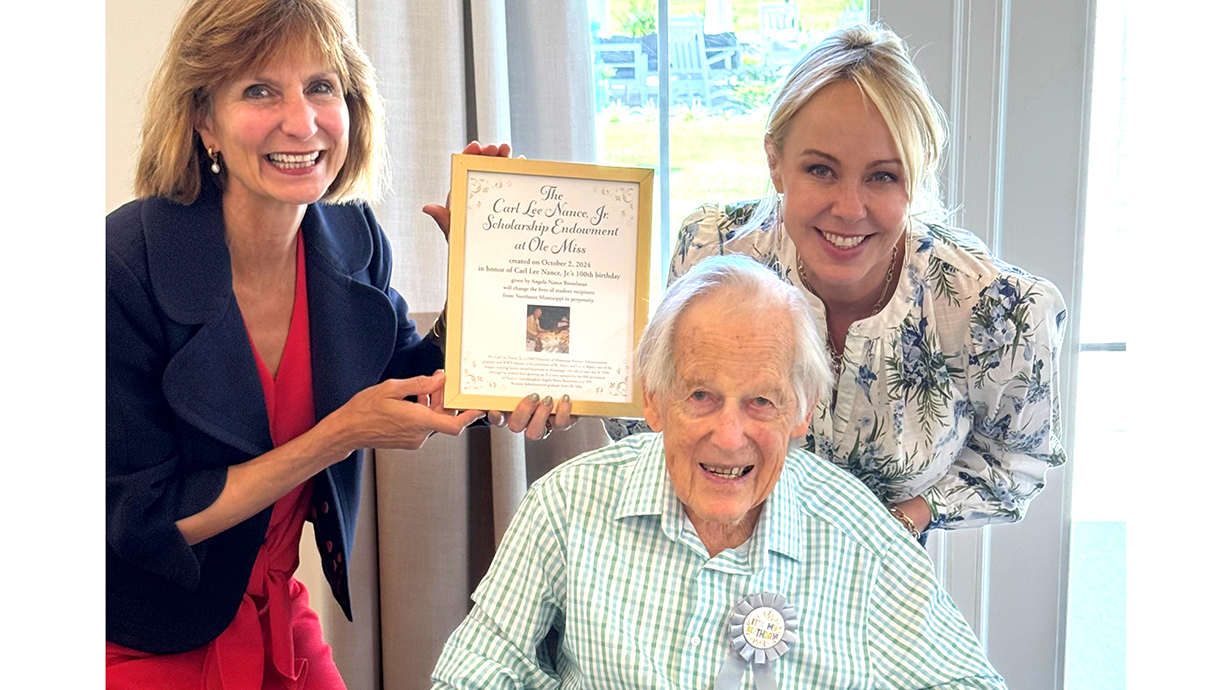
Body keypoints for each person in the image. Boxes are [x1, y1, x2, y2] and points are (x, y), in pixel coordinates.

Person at [106, 0, 569, 686]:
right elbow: (136, 521)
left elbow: (403, 383)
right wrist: (337, 436)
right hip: (140, 629)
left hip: (274, 610)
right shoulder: (124, 263)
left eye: (321, 86)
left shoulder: (353, 237)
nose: (302, 121)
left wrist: (484, 276)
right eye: (260, 90)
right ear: (203, 116)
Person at [431, 255, 1006, 689]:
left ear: (803, 410)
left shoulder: (861, 537)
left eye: (762, 402)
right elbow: (472, 671)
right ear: (653, 400)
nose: (730, 438)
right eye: (701, 395)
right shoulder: (566, 504)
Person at [607, 23, 1067, 538]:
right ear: (775, 162)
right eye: (821, 170)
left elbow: (1016, 463)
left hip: (879, 584)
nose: (849, 209)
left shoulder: (999, 310)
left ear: (919, 172)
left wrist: (901, 522)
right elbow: (658, 416)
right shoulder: (712, 251)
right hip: (716, 554)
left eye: (883, 176)